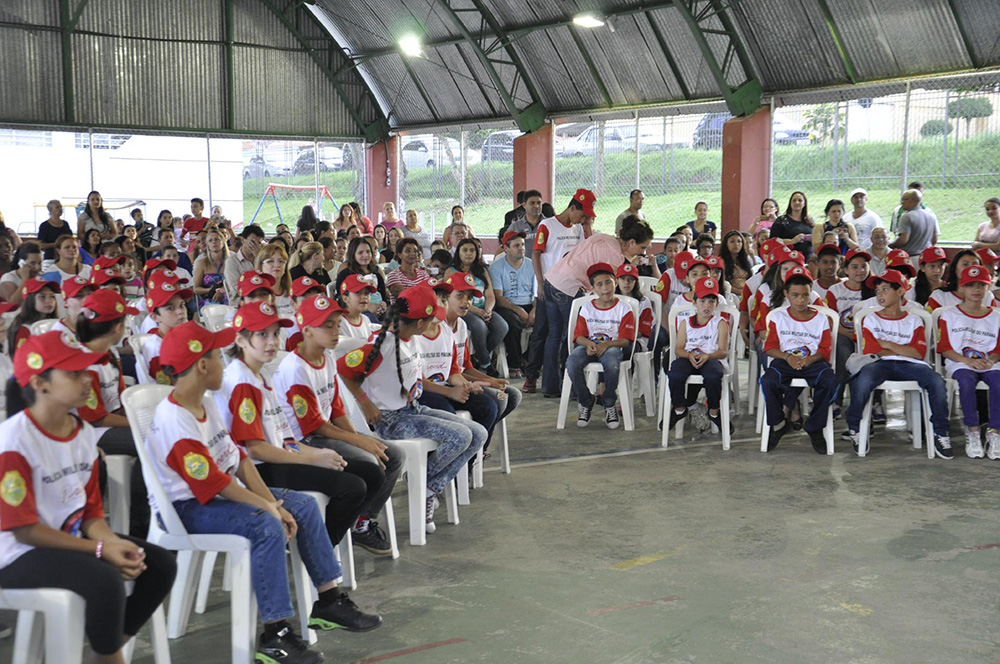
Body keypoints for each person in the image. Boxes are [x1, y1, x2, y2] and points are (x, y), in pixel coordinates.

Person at [146, 321, 381, 662]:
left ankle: (328, 601)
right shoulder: (175, 419)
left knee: (301, 505)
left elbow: (238, 460)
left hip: (219, 492)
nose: (223, 362)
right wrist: (268, 507)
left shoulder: (203, 402)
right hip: (189, 506)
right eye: (217, 355)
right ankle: (275, 634)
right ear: (201, 365)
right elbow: (215, 482)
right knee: (266, 525)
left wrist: (273, 500)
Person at [0, 331, 176, 664]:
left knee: (159, 564)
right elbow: (22, 529)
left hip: (65, 538)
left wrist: (112, 543)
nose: (87, 379)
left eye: (86, 370)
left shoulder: (80, 432)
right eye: (74, 373)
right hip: (15, 553)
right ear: (40, 383)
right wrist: (99, 549)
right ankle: (111, 658)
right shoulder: (13, 442)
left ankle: (102, 654)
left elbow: (91, 512)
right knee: (104, 579)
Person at [337, 285, 487, 533]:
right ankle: (425, 487)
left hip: (414, 409)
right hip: (390, 419)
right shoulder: (383, 344)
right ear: (419, 323)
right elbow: (343, 371)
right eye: (431, 320)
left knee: (477, 434)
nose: (435, 324)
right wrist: (365, 403)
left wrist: (444, 391)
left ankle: (427, 487)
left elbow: (415, 380)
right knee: (459, 435)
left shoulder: (410, 339)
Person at [843, 269, 952, 458]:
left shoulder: (914, 320)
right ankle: (854, 427)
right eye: (877, 291)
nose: (880, 295)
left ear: (900, 291)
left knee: (936, 381)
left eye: (885, 289)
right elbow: (872, 351)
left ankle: (940, 432)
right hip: (879, 364)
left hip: (911, 365)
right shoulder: (870, 319)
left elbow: (918, 354)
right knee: (862, 381)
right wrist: (900, 348)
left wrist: (887, 344)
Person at [413, 280, 500, 458]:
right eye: (433, 299)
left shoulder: (446, 331)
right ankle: (432, 470)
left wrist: (467, 385)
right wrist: (450, 392)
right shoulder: (413, 334)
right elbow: (416, 381)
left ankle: (468, 465)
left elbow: (453, 372)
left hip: (444, 387)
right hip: (421, 392)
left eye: (443, 300)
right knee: (450, 417)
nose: (439, 305)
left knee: (488, 405)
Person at [760, 266, 838, 453]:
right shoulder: (778, 317)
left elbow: (825, 349)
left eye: (805, 295)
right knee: (768, 380)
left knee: (830, 381)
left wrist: (810, 360)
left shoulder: (820, 318)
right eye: (795, 295)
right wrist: (788, 358)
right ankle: (778, 423)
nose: (801, 300)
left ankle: (815, 426)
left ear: (811, 294)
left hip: (812, 361)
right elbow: (769, 347)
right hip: (785, 360)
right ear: (786, 294)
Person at [533, 189, 595, 396]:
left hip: (569, 287)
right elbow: (535, 253)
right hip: (555, 287)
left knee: (558, 336)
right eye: (582, 215)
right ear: (572, 208)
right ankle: (571, 387)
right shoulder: (547, 225)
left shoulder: (577, 228)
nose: (583, 219)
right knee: (565, 336)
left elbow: (589, 248)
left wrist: (587, 226)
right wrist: (540, 282)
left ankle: (554, 387)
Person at [936, 265, 1000, 459]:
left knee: (998, 382)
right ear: (961, 288)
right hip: (960, 362)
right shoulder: (949, 315)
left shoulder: (996, 316)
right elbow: (945, 348)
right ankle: (972, 430)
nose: (976, 290)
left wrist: (990, 360)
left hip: (990, 362)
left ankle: (994, 432)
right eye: (970, 285)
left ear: (988, 288)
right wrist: (967, 361)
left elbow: (998, 348)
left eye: (981, 285)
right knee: (966, 382)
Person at [567, 263, 636, 429]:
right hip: (590, 346)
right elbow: (579, 337)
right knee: (572, 362)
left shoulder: (624, 308)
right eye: (599, 284)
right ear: (593, 289)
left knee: (612, 363)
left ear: (615, 283)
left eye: (608, 282)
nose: (605, 288)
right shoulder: (587, 308)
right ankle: (586, 401)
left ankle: (609, 401)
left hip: (612, 346)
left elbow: (626, 339)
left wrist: (607, 344)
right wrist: (588, 343)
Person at [666, 275, 730, 434]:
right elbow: (678, 348)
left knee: (714, 376)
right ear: (694, 303)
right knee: (675, 374)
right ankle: (680, 409)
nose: (707, 305)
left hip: (711, 358)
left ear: (716, 303)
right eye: (702, 301)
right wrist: (688, 356)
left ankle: (714, 411)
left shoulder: (720, 323)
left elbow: (722, 351)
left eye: (711, 301)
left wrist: (708, 356)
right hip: (689, 357)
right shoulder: (685, 322)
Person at [447, 239, 507, 375]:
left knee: (502, 327)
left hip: (484, 308)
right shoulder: (451, 271)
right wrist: (477, 311)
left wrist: (488, 310)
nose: (469, 253)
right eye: (465, 250)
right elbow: (452, 298)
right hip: (463, 309)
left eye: (472, 250)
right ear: (458, 253)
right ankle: (486, 363)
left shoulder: (482, 270)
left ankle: (479, 358)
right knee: (480, 326)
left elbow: (490, 295)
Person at [824, 247, 870, 411]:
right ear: (845, 270)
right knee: (843, 352)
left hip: (867, 337)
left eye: (864, 266)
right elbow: (830, 320)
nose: (860, 271)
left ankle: (873, 402)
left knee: (873, 356)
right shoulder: (835, 290)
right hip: (842, 334)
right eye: (855, 267)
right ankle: (837, 399)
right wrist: (846, 333)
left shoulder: (874, 290)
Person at [489, 230, 536, 379]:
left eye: (522, 244)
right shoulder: (496, 267)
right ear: (506, 248)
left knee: (547, 322)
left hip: (530, 304)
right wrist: (518, 309)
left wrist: (535, 310)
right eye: (516, 245)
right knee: (513, 324)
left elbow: (537, 293)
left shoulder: (532, 265)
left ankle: (528, 359)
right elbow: (499, 297)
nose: (521, 248)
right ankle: (514, 363)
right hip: (508, 305)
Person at [134, 279, 193, 385]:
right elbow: (167, 391)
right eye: (171, 308)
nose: (180, 311)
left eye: (182, 305)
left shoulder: (183, 337)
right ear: (155, 317)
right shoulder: (156, 349)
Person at [335, 237, 389, 320]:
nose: (365, 255)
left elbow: (384, 296)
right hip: (356, 313)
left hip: (379, 311)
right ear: (353, 254)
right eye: (360, 253)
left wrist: (382, 305)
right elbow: (341, 301)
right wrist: (367, 307)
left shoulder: (376, 273)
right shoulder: (346, 274)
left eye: (368, 251)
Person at [7, 277, 59, 355]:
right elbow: (23, 358)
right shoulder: (24, 329)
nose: (49, 300)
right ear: (30, 300)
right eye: (42, 297)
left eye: (52, 296)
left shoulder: (57, 324)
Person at [927, 249, 993, 311]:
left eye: (975, 265)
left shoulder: (987, 296)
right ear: (955, 268)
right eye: (965, 264)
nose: (970, 268)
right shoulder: (939, 296)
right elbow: (932, 321)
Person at [890, 189, 938, 256]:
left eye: (903, 199)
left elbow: (903, 240)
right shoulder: (931, 215)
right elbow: (934, 239)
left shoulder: (906, 216)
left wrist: (889, 246)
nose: (901, 203)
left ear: (910, 200)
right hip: (926, 257)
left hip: (911, 256)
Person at [192, 227, 229, 309]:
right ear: (207, 245)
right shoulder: (201, 263)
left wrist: (222, 291)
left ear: (223, 242)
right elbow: (196, 289)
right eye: (210, 240)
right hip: (209, 299)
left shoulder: (231, 261)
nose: (214, 242)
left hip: (228, 296)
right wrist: (211, 290)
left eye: (217, 239)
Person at [770, 191, 815, 258]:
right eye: (794, 200)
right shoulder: (781, 221)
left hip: (808, 258)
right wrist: (792, 241)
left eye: (800, 200)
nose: (797, 202)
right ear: (790, 203)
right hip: (788, 258)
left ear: (804, 203)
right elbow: (773, 241)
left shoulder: (809, 221)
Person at [255, 243, 293, 317]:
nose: (277, 265)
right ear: (260, 266)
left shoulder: (294, 294)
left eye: (281, 261)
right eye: (270, 261)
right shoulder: (254, 296)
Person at [385, 238, 428, 302]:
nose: (412, 253)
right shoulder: (393, 275)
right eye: (408, 251)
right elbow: (403, 298)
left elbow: (428, 294)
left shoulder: (423, 274)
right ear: (399, 255)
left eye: (415, 251)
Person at [337, 274, 378, 342]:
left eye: (367, 293)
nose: (364, 297)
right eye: (358, 293)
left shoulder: (366, 319)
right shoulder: (339, 322)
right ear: (345, 298)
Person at [719, 230, 752, 299]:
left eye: (739, 241)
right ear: (726, 244)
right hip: (732, 295)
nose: (736, 244)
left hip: (747, 293)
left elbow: (751, 277)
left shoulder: (745, 259)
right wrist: (741, 292)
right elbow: (723, 284)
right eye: (732, 241)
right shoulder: (722, 261)